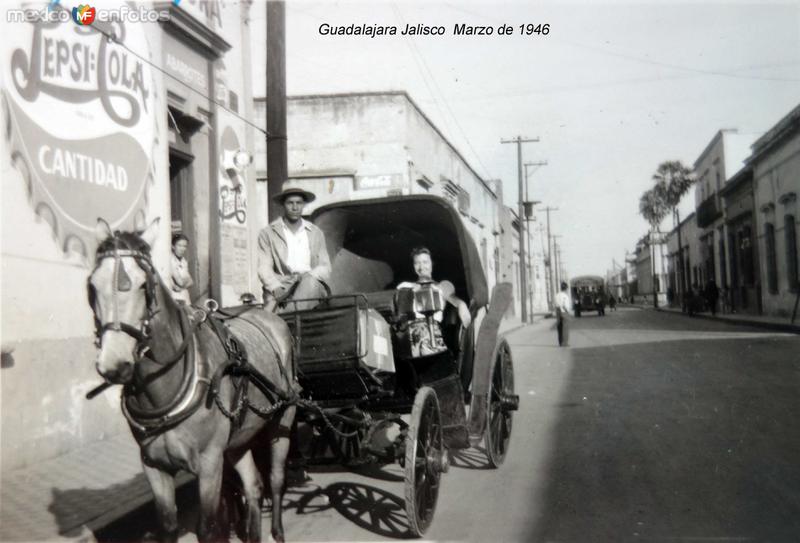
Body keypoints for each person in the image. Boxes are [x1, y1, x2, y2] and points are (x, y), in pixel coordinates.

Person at [257, 187, 331, 311]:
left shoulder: (315, 232)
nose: (295, 207)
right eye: (290, 203)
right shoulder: (268, 233)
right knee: (268, 318)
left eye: (299, 203)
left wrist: (308, 276)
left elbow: (325, 266)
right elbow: (264, 266)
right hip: (281, 285)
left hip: (309, 284)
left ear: (304, 205)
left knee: (309, 286)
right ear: (283, 205)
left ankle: (289, 320)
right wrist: (275, 287)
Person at [396, 247, 472, 357]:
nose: (421, 267)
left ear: (432, 263)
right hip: (408, 333)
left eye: (425, 262)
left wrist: (462, 305)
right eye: (417, 263)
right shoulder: (406, 286)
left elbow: (457, 301)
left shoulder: (441, 286)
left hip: (431, 332)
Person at [169, 233, 193, 304]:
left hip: (185, 295)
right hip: (175, 297)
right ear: (173, 246)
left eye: (184, 246)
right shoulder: (170, 260)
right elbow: (180, 282)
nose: (182, 249)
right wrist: (185, 281)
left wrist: (182, 286)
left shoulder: (183, 261)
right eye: (179, 245)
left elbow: (191, 282)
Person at [555, 281, 570, 347]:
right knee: (565, 327)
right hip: (564, 311)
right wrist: (567, 311)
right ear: (566, 288)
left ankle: (560, 342)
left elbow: (555, 304)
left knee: (559, 327)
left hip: (558, 311)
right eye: (567, 289)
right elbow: (565, 305)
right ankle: (565, 343)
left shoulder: (557, 295)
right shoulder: (565, 296)